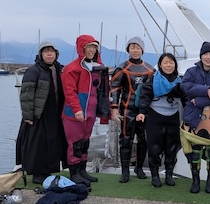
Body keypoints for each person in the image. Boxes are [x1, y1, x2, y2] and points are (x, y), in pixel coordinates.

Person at [61, 34, 111, 187]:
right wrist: (77, 109)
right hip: (75, 113)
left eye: (94, 47)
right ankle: (74, 173)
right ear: (81, 48)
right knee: (75, 143)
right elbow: (69, 92)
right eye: (89, 47)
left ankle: (82, 171)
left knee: (84, 142)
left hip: (91, 112)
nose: (92, 50)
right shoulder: (72, 68)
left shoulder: (97, 67)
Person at [16, 41, 67, 184]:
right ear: (41, 54)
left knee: (52, 143)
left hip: (55, 112)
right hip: (39, 113)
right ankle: (38, 174)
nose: (49, 54)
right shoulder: (33, 71)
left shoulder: (60, 69)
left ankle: (49, 171)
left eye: (52, 51)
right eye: (46, 51)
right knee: (38, 145)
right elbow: (26, 95)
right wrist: (28, 116)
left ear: (56, 54)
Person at [180, 41, 210, 193]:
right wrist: (207, 90)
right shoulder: (191, 71)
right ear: (201, 56)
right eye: (205, 54)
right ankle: (195, 180)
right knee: (194, 151)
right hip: (194, 117)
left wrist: (200, 100)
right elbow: (186, 87)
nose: (208, 57)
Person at [110, 36, 155, 183]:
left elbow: (153, 90)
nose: (135, 50)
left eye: (138, 47)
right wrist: (114, 108)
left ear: (142, 50)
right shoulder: (122, 68)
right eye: (132, 47)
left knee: (144, 139)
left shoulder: (150, 69)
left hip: (144, 111)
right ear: (128, 50)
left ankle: (139, 168)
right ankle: (125, 172)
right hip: (127, 109)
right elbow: (114, 88)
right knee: (126, 140)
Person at [136, 53, 185, 187]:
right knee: (154, 148)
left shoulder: (180, 81)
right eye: (166, 63)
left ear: (175, 65)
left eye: (171, 63)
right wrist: (142, 112)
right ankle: (155, 175)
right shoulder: (153, 80)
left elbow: (186, 99)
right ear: (160, 65)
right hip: (155, 117)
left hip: (173, 117)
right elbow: (145, 97)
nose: (169, 65)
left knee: (172, 148)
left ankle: (169, 174)